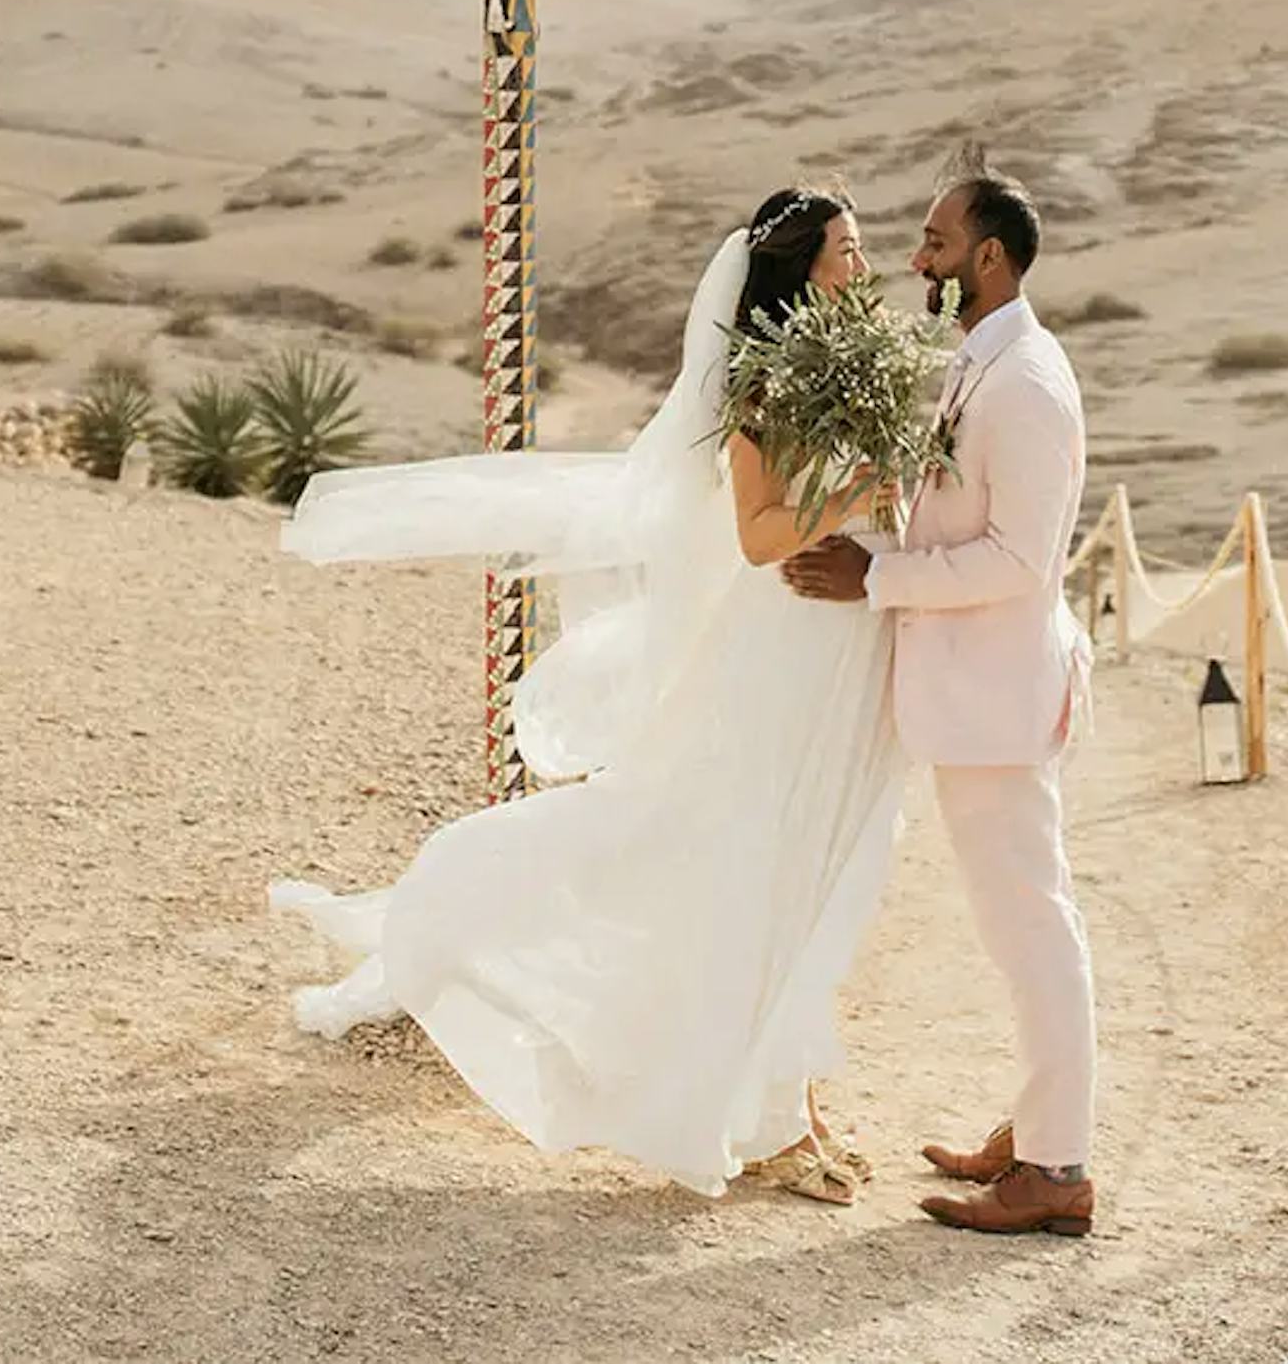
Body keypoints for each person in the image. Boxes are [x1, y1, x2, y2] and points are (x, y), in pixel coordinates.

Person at [269, 191, 902, 1201]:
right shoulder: (760, 391)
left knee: (812, 874)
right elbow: (759, 534)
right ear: (797, 271)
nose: (866, 268)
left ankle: (794, 1105)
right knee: (750, 870)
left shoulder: (843, 376)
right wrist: (861, 489)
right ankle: (763, 1119)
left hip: (841, 657)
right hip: (779, 650)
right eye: (849, 250)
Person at [782, 172, 1099, 1237]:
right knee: (1022, 922)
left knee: (1034, 928)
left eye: (935, 240)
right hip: (980, 693)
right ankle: (1038, 1122)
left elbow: (1017, 558)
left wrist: (875, 580)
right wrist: (870, 547)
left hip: (999, 698)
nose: (917, 259)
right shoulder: (986, 363)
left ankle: (1056, 1167)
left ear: (991, 256)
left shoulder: (1027, 387)